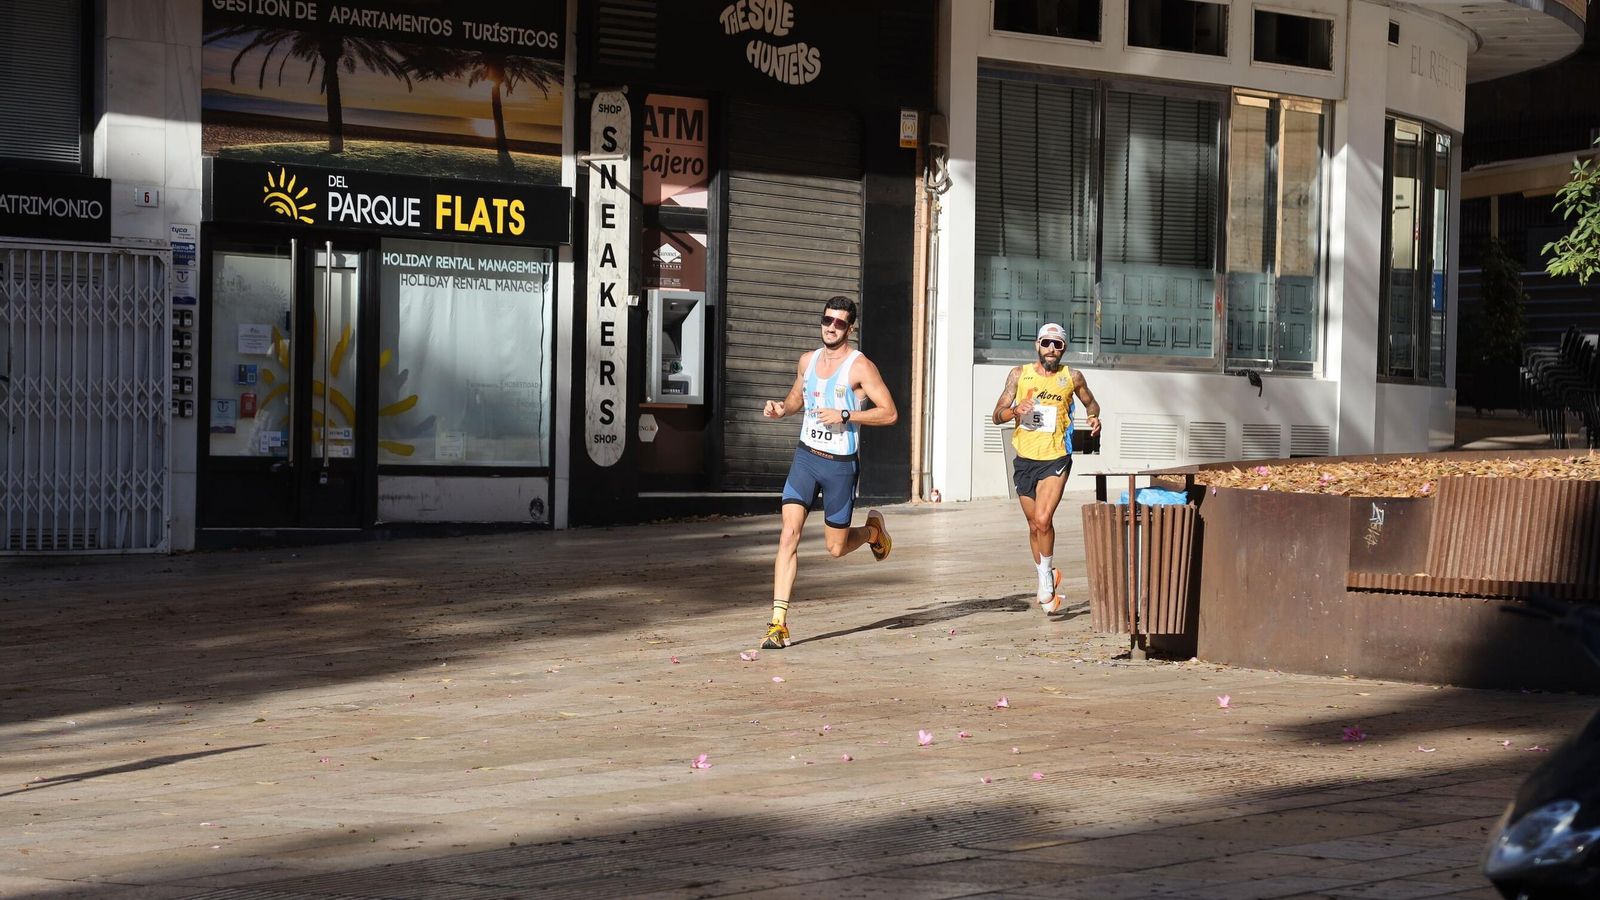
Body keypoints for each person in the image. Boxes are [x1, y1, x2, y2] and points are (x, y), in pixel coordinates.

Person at [759, 296, 899, 649]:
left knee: (835, 549)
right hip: (806, 459)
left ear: (850, 328)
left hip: (839, 466)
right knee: (788, 534)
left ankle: (871, 533)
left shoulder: (860, 367)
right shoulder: (807, 360)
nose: (831, 327)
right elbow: (797, 397)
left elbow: (890, 413)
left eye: (839, 323)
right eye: (827, 320)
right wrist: (781, 409)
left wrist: (847, 415)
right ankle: (778, 623)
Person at [991, 322, 1101, 613]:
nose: (1051, 349)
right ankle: (1046, 574)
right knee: (1032, 525)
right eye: (1046, 343)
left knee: (1042, 519)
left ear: (1064, 349)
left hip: (1056, 457)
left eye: (1058, 344)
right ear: (1036, 345)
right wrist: (1015, 410)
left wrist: (1093, 418)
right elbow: (996, 416)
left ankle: (1046, 582)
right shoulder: (1019, 374)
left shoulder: (1072, 377)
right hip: (1025, 458)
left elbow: (1092, 404)